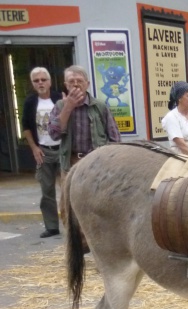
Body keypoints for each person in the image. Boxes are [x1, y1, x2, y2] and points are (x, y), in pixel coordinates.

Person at [48, 64, 121, 173]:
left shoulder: (100, 106)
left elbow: (115, 139)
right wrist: (68, 107)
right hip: (71, 163)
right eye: (71, 81)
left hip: (97, 163)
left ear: (87, 84)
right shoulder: (60, 106)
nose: (76, 84)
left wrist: (110, 162)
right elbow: (54, 135)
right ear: (66, 85)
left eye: (80, 81)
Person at [21, 67, 61, 238]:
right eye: (36, 81)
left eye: (43, 79)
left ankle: (76, 226)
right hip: (43, 151)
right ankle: (52, 227)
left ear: (50, 82)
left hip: (62, 150)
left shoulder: (60, 98)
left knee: (69, 189)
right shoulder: (30, 102)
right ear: (33, 84)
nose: (40, 83)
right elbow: (26, 128)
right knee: (47, 191)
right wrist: (34, 148)